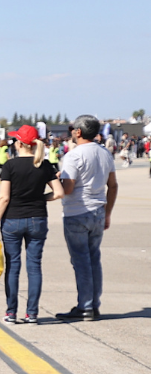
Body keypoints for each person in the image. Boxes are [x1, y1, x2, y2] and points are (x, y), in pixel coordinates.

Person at [0, 126, 62, 324]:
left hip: (12, 220)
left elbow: (4, 198)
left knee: (13, 266)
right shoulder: (45, 164)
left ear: (20, 143)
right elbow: (59, 192)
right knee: (34, 266)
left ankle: (11, 312)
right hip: (37, 219)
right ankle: (32, 314)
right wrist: (40, 199)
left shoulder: (10, 166)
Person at [56, 115, 118, 321]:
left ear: (79, 132)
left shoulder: (74, 155)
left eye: (73, 128)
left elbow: (69, 187)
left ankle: (85, 306)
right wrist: (107, 212)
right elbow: (113, 185)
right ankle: (94, 303)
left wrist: (57, 182)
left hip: (77, 211)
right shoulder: (104, 153)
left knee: (81, 261)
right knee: (94, 259)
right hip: (98, 210)